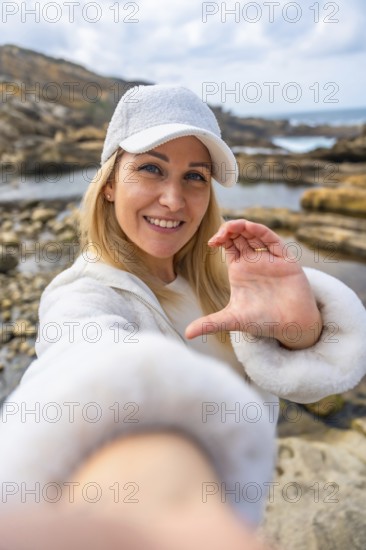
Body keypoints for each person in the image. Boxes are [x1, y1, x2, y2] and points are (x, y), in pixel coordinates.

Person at [0, 85, 365, 545]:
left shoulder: (223, 275)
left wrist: (299, 328)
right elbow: (88, 377)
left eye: (195, 176)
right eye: (151, 169)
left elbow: (313, 385)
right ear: (110, 184)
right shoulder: (83, 295)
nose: (174, 199)